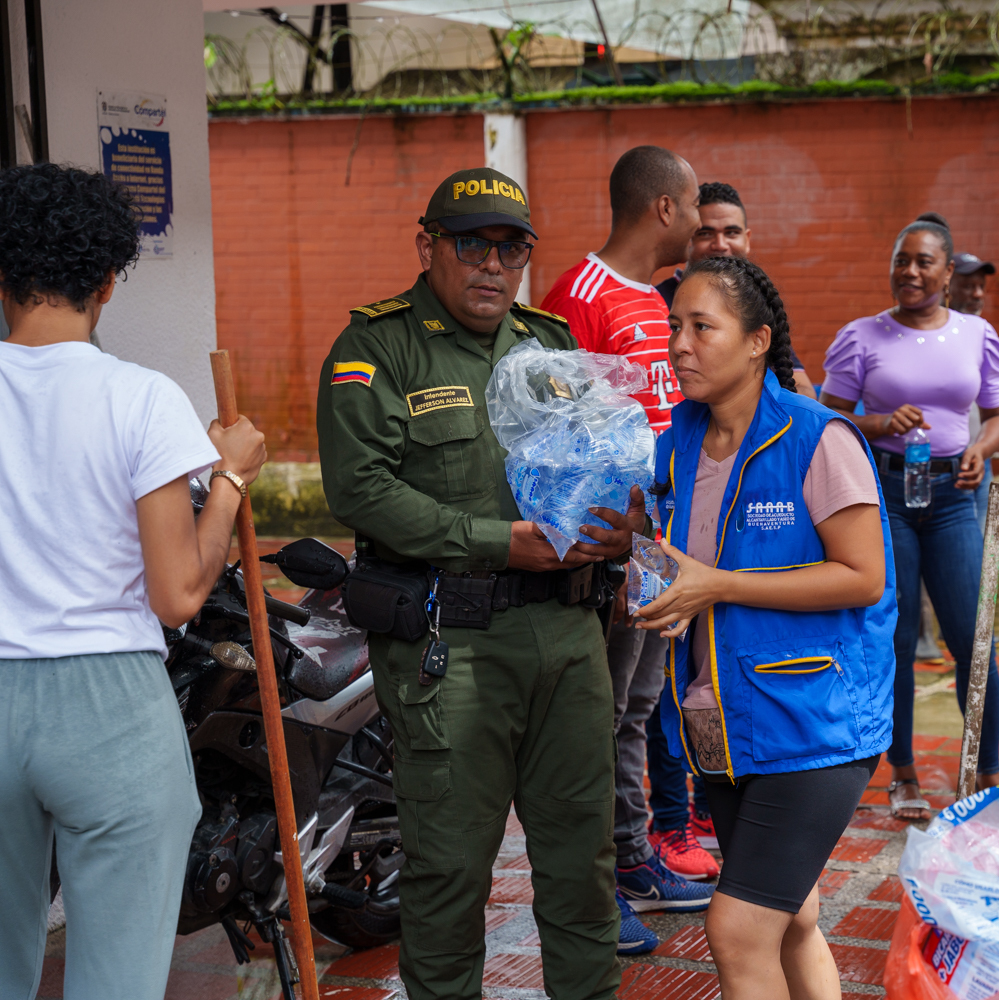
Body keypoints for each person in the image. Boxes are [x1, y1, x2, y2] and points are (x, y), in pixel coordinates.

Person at [318, 167, 644, 1000]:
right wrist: (499, 543)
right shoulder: (376, 346)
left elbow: (594, 459)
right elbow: (363, 489)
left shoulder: (549, 344)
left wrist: (621, 517)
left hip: (571, 636)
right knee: (450, 871)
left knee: (582, 862)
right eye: (472, 244)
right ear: (429, 247)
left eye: (513, 247)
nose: (493, 265)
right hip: (449, 647)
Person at [0, 163, 267, 1000]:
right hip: (109, 711)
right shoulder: (139, 398)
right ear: (109, 283)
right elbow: (180, 593)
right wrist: (230, 477)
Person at [641, 254, 896, 1000]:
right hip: (720, 723)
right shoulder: (678, 440)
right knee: (791, 917)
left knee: (737, 927)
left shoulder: (820, 439)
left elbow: (862, 576)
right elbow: (670, 556)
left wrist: (713, 584)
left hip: (813, 724)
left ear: (757, 341)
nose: (679, 345)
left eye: (701, 327)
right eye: (673, 327)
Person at [540, 146, 716, 952]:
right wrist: (608, 550)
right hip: (613, 552)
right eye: (696, 207)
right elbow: (555, 435)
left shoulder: (658, 300)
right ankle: (593, 884)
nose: (707, 224)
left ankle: (635, 856)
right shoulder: (580, 296)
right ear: (665, 211)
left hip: (661, 548)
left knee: (641, 707)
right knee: (597, 714)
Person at [820, 219, 999, 822]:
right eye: (902, 260)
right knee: (895, 640)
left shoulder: (977, 334)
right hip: (887, 490)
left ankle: (984, 772)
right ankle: (901, 773)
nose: (910, 271)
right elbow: (828, 419)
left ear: (947, 272)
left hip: (955, 493)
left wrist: (983, 449)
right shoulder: (861, 337)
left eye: (924, 262)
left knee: (971, 640)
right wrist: (878, 424)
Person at [656, 181, 817, 398]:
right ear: (688, 238)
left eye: (732, 232)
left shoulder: (754, 306)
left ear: (747, 239)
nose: (720, 244)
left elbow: (804, 391)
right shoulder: (654, 302)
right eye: (705, 233)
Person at [948, 251, 999, 524]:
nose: (978, 294)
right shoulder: (925, 337)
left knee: (990, 554)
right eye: (968, 286)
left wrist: (984, 449)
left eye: (981, 287)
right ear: (946, 285)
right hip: (943, 468)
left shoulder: (984, 334)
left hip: (983, 459)